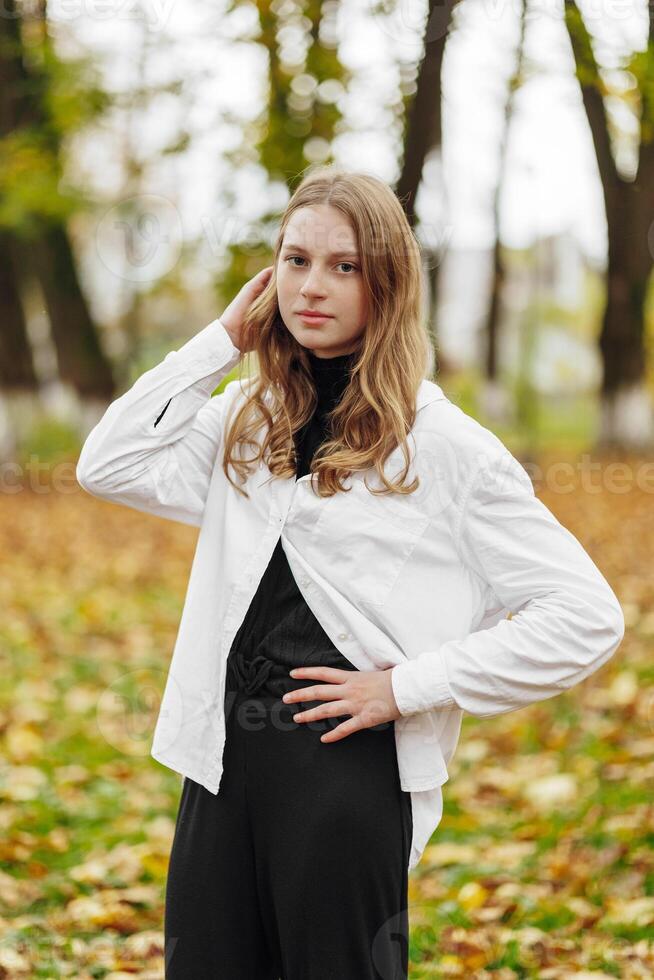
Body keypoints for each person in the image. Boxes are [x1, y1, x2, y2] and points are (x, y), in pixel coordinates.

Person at [76, 167, 625, 979]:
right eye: (295, 261)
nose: (313, 286)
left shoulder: (445, 447)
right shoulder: (245, 418)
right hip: (222, 763)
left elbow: (586, 616)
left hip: (346, 774)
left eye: (345, 266)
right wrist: (222, 341)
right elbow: (108, 463)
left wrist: (405, 686)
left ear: (389, 284)